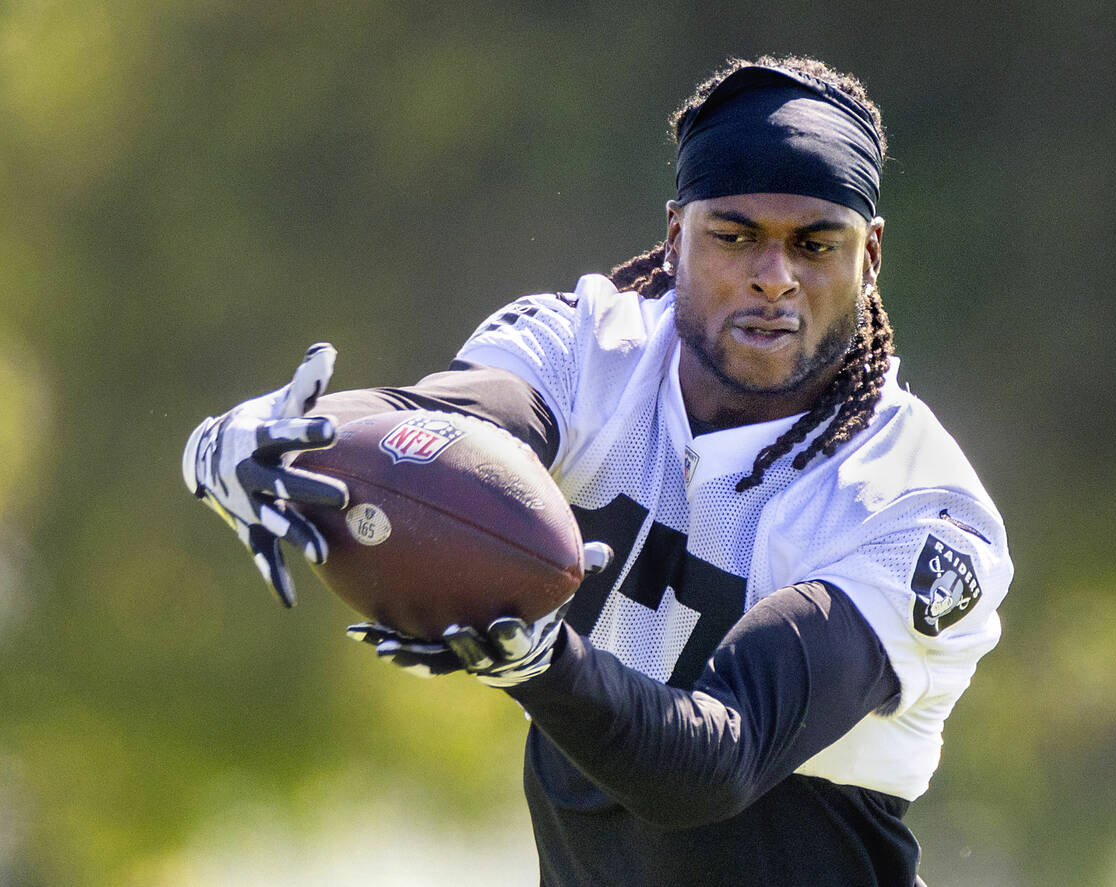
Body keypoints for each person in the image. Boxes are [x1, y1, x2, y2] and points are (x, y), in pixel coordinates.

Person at [182, 55, 1013, 886]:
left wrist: (542, 663)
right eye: (735, 235)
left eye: (814, 243)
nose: (774, 277)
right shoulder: (588, 349)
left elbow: (717, 762)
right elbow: (445, 429)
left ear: (869, 256)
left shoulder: (917, 507)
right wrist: (271, 436)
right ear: (675, 235)